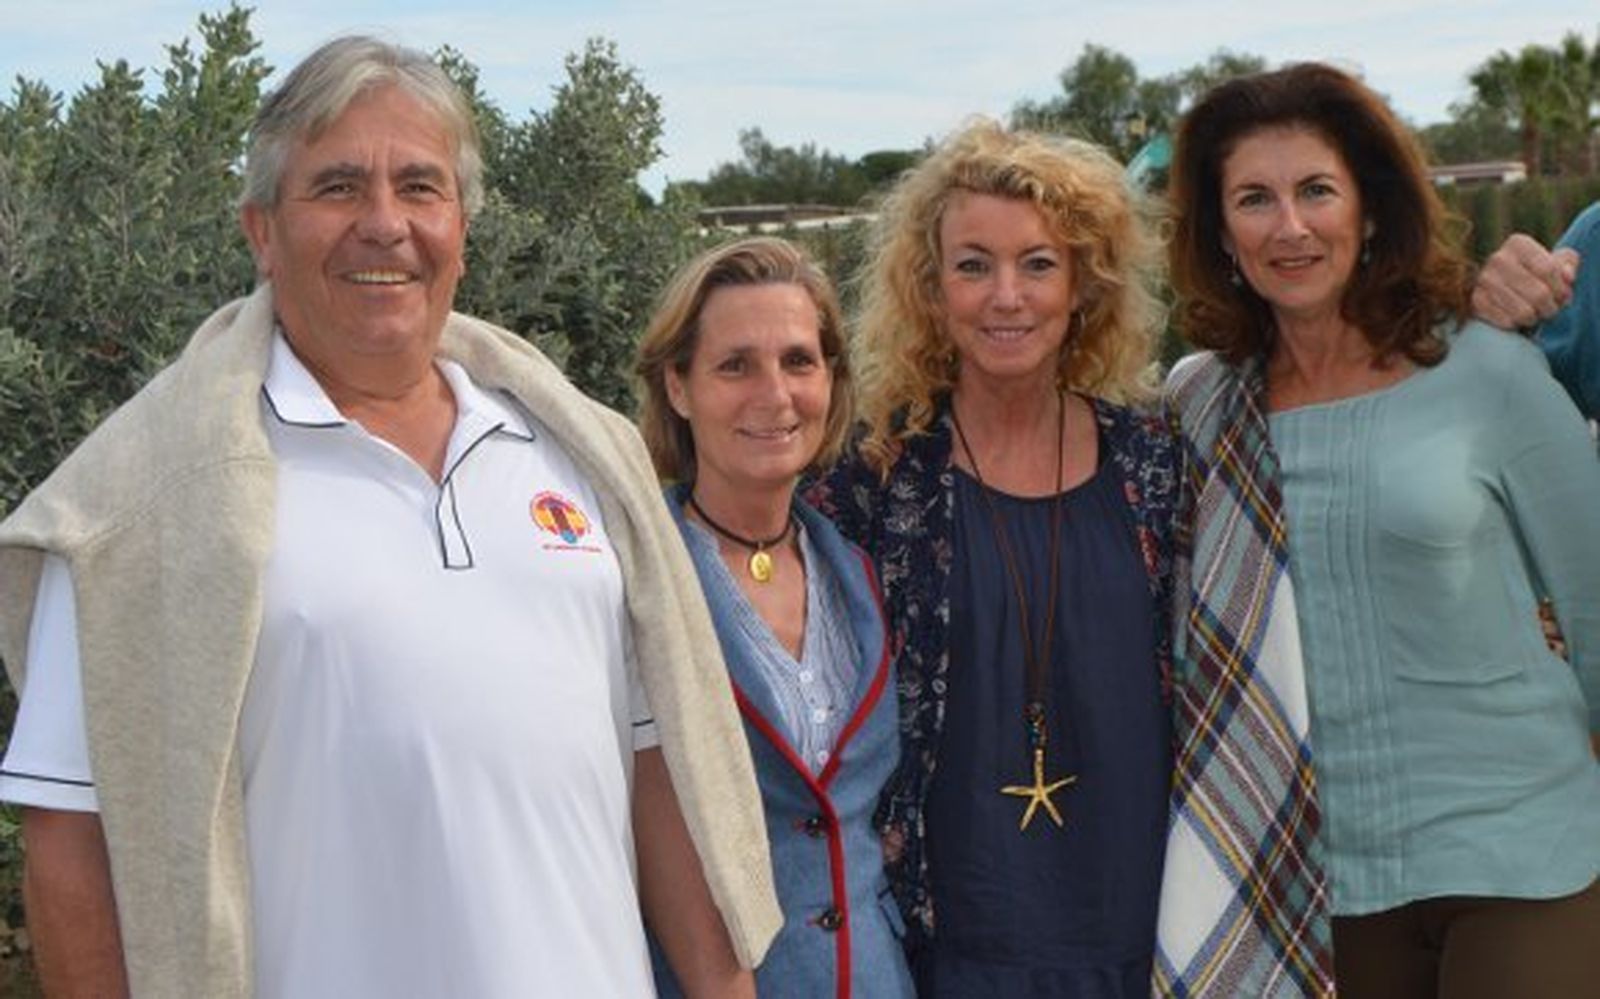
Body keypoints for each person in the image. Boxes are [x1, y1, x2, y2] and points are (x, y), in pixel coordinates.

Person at [0, 36, 779, 998]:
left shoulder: (584, 458)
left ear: (461, 224)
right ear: (261, 230)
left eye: (419, 186)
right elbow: (69, 841)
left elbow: (669, 768)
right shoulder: (136, 505)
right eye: (336, 187)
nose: (385, 224)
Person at [1160, 62, 1600, 998]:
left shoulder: (1490, 372)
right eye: (1254, 198)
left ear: (1369, 207)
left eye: (1317, 189)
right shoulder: (1197, 404)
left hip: (1521, 850)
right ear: (1220, 232)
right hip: (1312, 874)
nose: (1291, 225)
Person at [810, 119, 1179, 997]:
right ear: (932, 291)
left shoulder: (1157, 463)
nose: (1005, 294)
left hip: (1153, 929)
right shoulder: (872, 484)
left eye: (1039, 263)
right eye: (973, 265)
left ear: (1085, 285)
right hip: (952, 945)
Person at [635, 237, 916, 999]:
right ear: (679, 386)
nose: (775, 393)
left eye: (799, 360)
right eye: (735, 365)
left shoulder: (855, 570)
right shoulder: (634, 579)